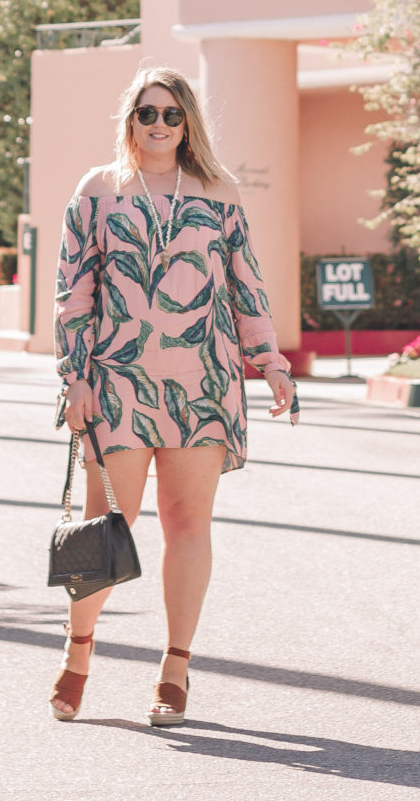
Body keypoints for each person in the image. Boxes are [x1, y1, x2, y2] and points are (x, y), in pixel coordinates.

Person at [50, 65, 296, 725]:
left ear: (188, 124)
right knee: (108, 528)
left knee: (189, 525)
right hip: (117, 381)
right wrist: (73, 377)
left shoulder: (220, 192)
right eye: (146, 113)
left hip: (205, 385)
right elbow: (74, 292)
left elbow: (247, 287)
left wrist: (270, 362)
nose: (158, 125)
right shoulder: (97, 191)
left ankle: (175, 668)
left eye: (171, 114)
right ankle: (78, 653)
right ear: (129, 119)